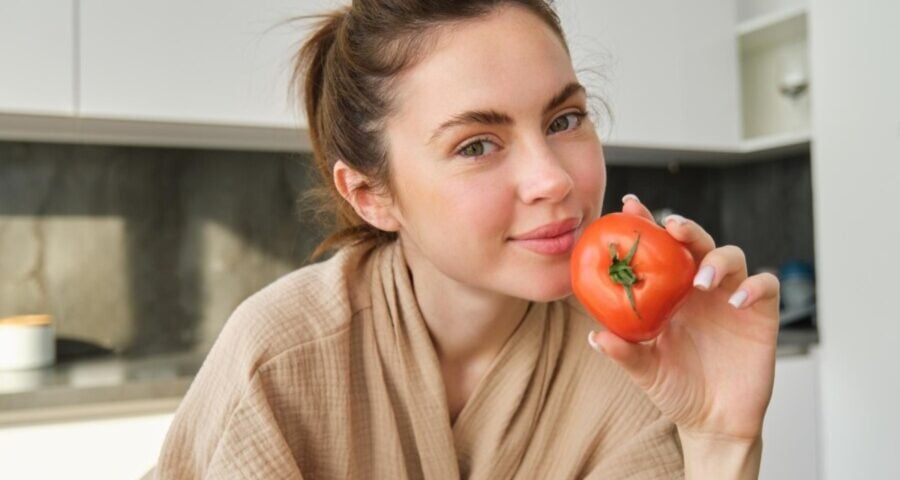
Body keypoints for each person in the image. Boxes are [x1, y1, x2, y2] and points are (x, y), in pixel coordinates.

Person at [149, 1, 780, 478]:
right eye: (476, 144)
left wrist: (722, 440)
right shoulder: (278, 359)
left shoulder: (632, 360)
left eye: (564, 120)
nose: (553, 179)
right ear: (372, 195)